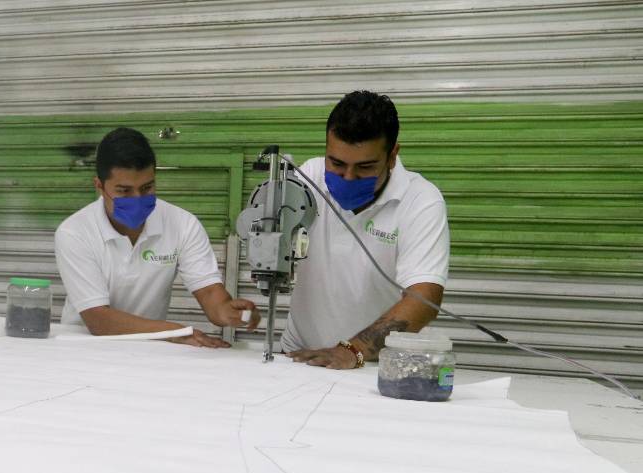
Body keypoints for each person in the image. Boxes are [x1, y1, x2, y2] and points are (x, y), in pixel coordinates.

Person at [282, 90, 450, 368]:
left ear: (392, 155)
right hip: (301, 355)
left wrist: (353, 350)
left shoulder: (420, 200)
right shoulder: (309, 178)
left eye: (365, 167)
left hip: (372, 365)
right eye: (337, 163)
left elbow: (425, 298)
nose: (348, 177)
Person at [55, 127, 260, 347]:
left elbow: (210, 292)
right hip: (84, 350)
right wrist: (174, 332)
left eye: (147, 188)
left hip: (148, 349)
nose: (137, 198)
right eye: (124, 191)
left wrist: (228, 311)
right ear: (99, 186)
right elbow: (99, 320)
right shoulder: (75, 233)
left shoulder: (182, 224)